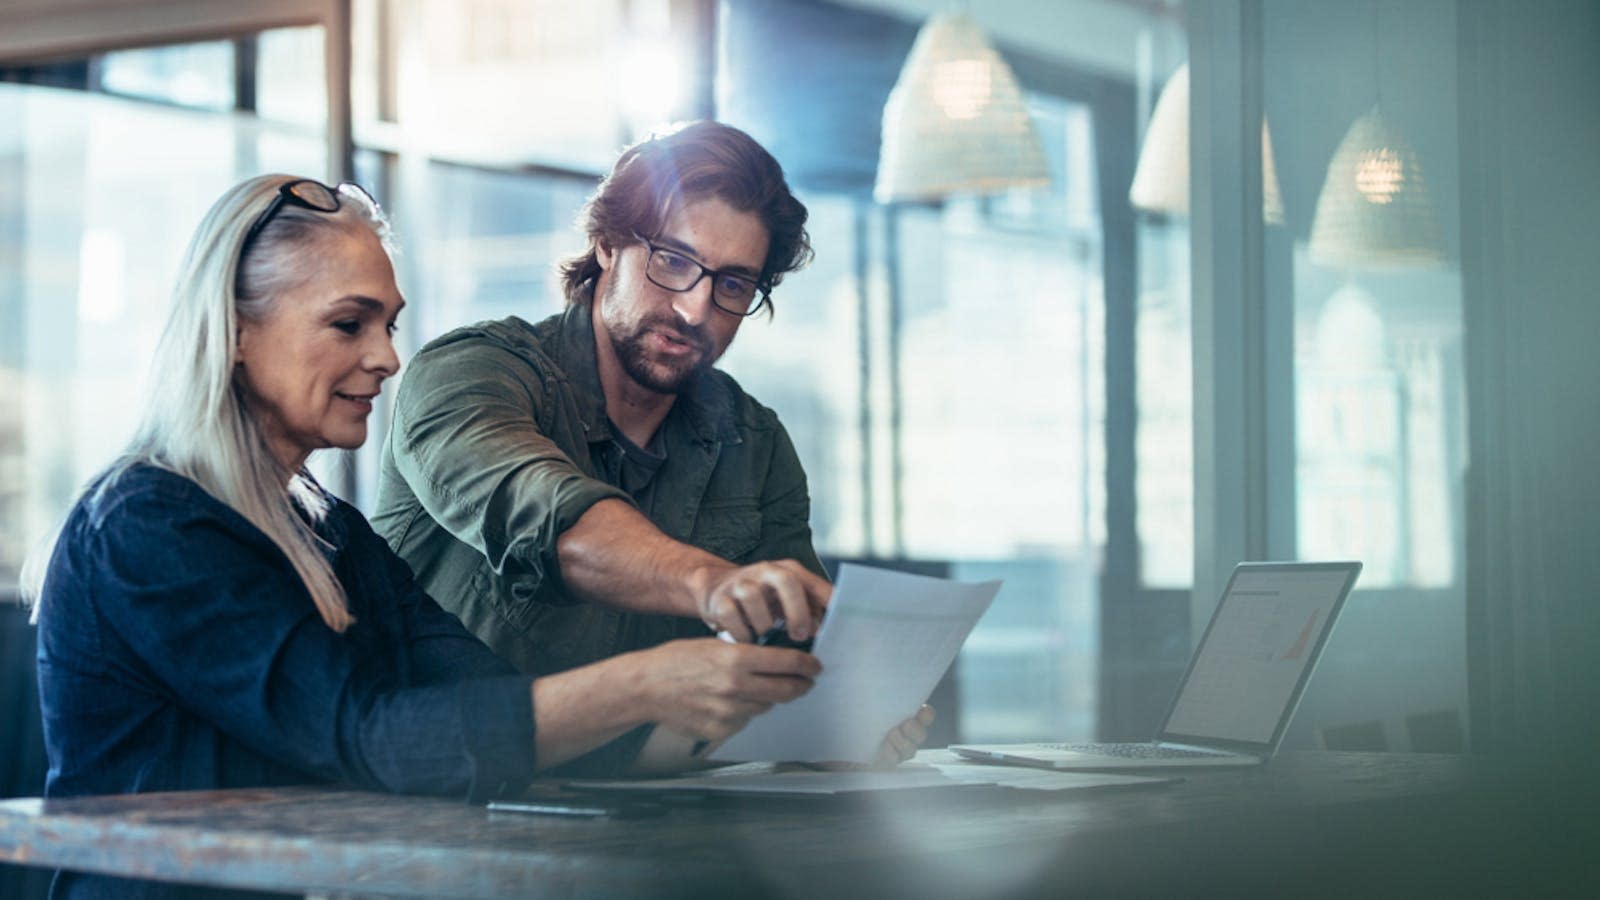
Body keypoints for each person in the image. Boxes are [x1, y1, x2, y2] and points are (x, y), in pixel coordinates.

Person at [24, 174, 930, 899]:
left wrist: (759, 706)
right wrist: (656, 675)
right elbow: (371, 737)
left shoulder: (327, 527)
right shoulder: (149, 523)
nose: (385, 357)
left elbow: (499, 704)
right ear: (233, 330)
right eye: (348, 323)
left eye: (388, 324)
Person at [373, 123, 873, 753]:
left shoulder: (755, 441)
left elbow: (795, 639)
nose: (696, 309)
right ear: (608, 243)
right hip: (436, 800)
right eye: (673, 261)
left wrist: (851, 715)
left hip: (647, 808)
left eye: (733, 285)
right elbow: (552, 519)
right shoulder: (470, 372)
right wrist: (709, 581)